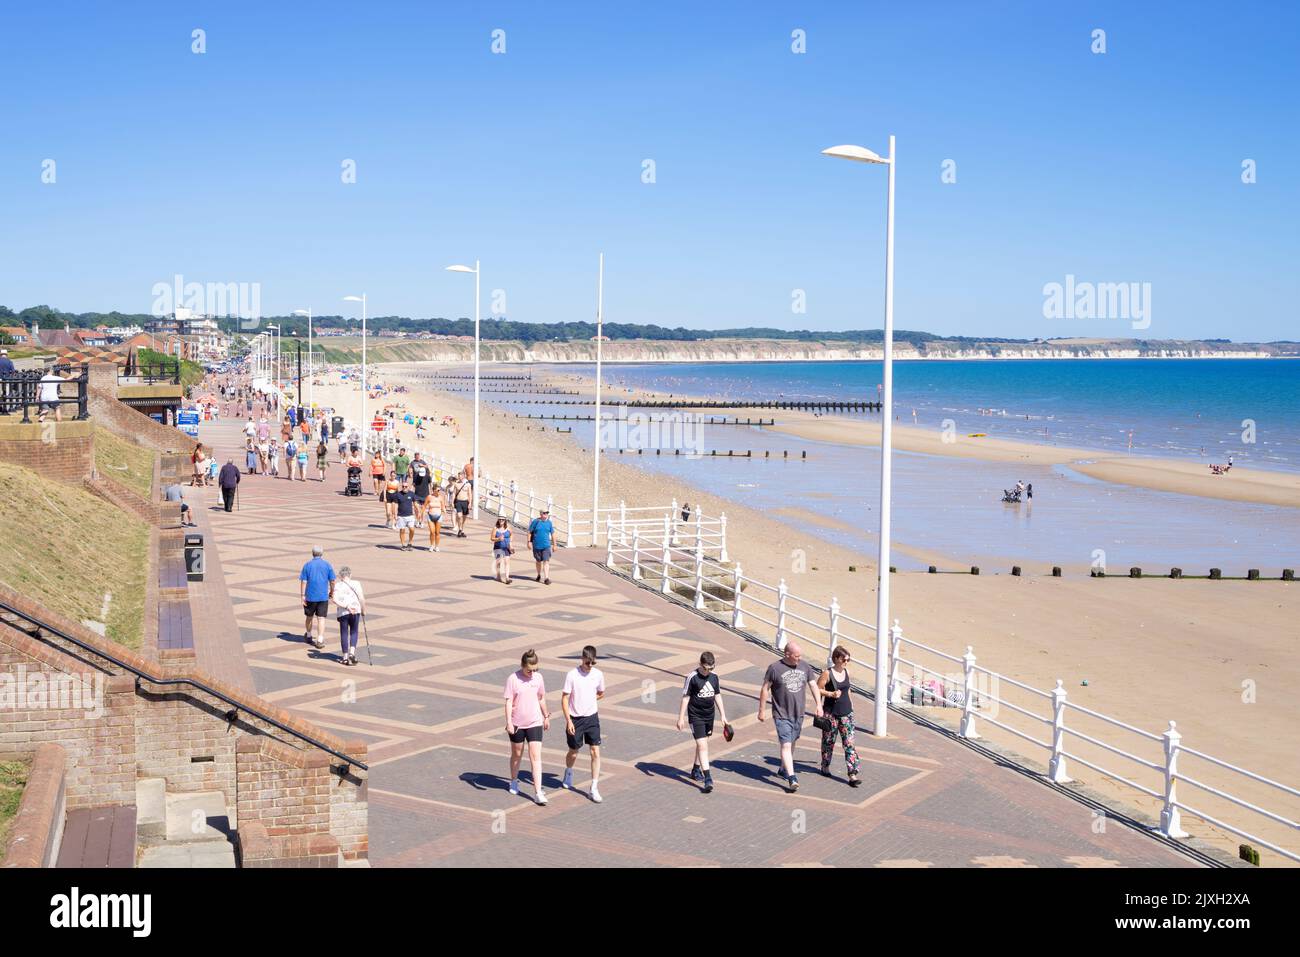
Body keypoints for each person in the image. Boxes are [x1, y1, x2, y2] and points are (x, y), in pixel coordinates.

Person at [757, 641, 822, 792]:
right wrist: (761, 710)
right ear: (787, 654)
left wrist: (819, 705)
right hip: (781, 714)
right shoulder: (774, 668)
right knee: (785, 744)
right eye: (796, 656)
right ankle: (792, 778)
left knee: (792, 742)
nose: (799, 659)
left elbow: (813, 685)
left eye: (800, 656)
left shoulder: (805, 666)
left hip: (798, 713)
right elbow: (765, 689)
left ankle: (783, 769)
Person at [677, 651, 729, 794]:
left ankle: (695, 769)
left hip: (709, 716)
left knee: (702, 745)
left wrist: (723, 715)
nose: (708, 671)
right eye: (706, 668)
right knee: (702, 745)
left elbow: (717, 695)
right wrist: (681, 717)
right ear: (700, 664)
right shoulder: (692, 677)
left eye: (711, 668)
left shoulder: (714, 677)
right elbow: (686, 697)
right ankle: (708, 778)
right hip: (696, 716)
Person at [504, 649, 551, 805]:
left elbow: (541, 697)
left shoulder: (538, 678)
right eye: (529, 670)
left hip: (535, 722)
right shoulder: (513, 679)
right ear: (523, 666)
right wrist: (509, 722)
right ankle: (513, 780)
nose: (532, 673)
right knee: (517, 754)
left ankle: (538, 792)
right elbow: (509, 701)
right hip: (517, 723)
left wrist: (546, 716)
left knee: (535, 757)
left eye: (535, 669)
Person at [561, 645, 605, 803]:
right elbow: (565, 698)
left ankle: (594, 787)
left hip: (592, 718)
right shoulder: (572, 675)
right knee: (573, 751)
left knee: (595, 752)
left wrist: (591, 700)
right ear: (582, 659)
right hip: (575, 719)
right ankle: (569, 771)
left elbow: (601, 693)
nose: (590, 666)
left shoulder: (598, 675)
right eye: (588, 663)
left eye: (593, 663)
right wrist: (568, 720)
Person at [816, 646, 861, 786]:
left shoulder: (847, 671)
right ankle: (825, 766)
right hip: (831, 714)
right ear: (836, 659)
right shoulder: (827, 674)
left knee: (849, 744)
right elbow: (817, 689)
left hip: (846, 714)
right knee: (828, 742)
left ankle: (852, 774)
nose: (846, 662)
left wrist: (851, 705)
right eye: (844, 659)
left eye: (848, 659)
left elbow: (848, 691)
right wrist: (830, 694)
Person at [299, 545, 335, 650]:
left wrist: (302, 595)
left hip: (310, 596)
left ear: (312, 553)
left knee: (309, 617)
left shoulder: (307, 565)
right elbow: (332, 580)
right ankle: (320, 639)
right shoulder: (327, 565)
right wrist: (332, 591)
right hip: (323, 596)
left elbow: (304, 581)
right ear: (322, 553)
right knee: (321, 618)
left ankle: (309, 635)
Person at [333, 566, 366, 666]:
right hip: (356, 610)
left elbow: (334, 599)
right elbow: (361, 598)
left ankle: (345, 657)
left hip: (343, 612)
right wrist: (363, 610)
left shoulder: (338, 585)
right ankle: (352, 652)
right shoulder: (356, 583)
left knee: (344, 633)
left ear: (340, 576)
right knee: (354, 631)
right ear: (350, 575)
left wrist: (346, 606)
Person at [528, 508, 555, 585]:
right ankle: (539, 575)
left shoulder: (549, 523)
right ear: (540, 514)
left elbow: (553, 534)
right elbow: (529, 532)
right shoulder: (535, 522)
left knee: (546, 561)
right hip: (536, 545)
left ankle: (546, 578)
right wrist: (529, 542)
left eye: (547, 513)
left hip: (546, 545)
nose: (546, 514)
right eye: (544, 513)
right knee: (538, 561)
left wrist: (554, 545)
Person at [393, 478, 418, 550]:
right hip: (401, 516)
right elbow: (395, 505)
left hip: (410, 515)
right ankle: (403, 544)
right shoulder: (398, 494)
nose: (404, 488)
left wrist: (418, 512)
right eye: (403, 486)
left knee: (412, 529)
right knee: (402, 530)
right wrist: (395, 515)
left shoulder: (411, 493)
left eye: (406, 486)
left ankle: (410, 543)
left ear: (408, 487)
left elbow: (415, 504)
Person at [409, 453, 431, 527]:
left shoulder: (427, 476)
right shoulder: (416, 476)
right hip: (417, 494)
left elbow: (430, 484)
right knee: (416, 508)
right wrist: (410, 491)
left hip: (425, 494)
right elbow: (413, 484)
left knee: (423, 509)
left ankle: (421, 521)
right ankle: (417, 520)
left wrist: (431, 493)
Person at [426, 481, 446, 552]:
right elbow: (424, 506)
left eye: (439, 490)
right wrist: (421, 514)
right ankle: (432, 545)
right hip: (430, 515)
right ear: (433, 490)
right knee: (432, 532)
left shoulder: (441, 497)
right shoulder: (429, 497)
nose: (439, 492)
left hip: (439, 516)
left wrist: (444, 510)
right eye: (437, 490)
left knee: (437, 532)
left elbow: (443, 506)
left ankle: (437, 546)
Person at [491, 518, 513, 583]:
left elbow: (511, 535)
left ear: (505, 520)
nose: (501, 521)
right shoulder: (495, 528)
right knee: (498, 562)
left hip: (506, 547)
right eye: (500, 519)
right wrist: (498, 539)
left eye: (502, 519)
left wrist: (510, 543)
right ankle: (498, 577)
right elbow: (492, 538)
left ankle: (507, 578)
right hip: (498, 547)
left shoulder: (508, 527)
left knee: (507, 562)